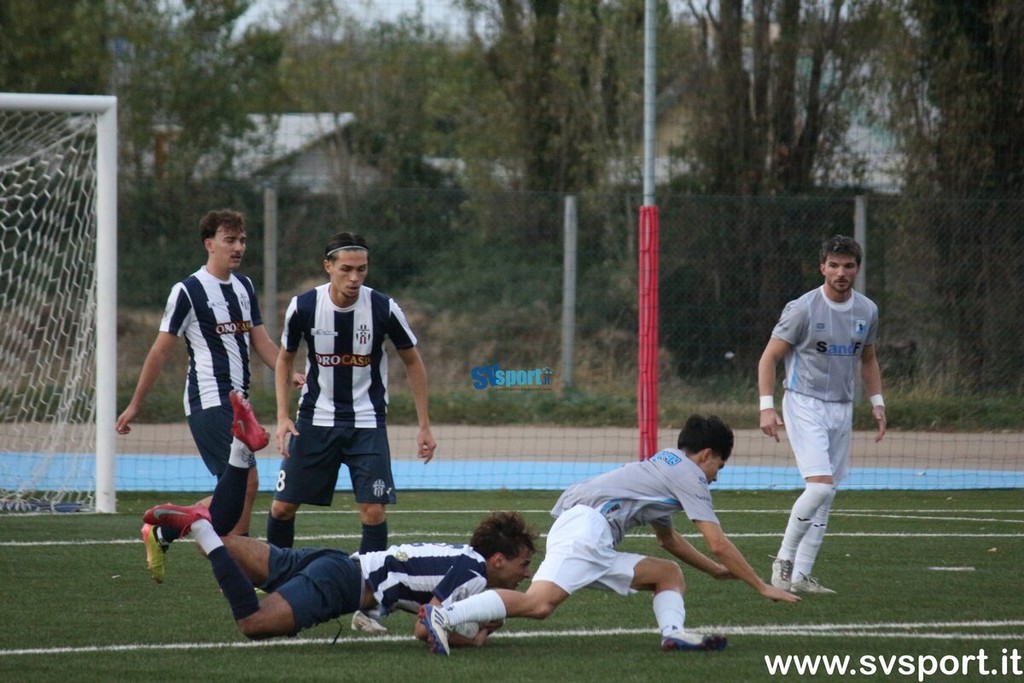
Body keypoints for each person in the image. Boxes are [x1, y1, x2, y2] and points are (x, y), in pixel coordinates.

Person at [144, 392, 536, 645]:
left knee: (223, 545)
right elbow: (426, 625)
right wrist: (477, 635)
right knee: (253, 623)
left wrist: (478, 619)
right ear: (498, 559)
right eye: (523, 564)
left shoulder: (464, 558)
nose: (526, 574)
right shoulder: (474, 572)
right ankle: (199, 524)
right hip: (343, 583)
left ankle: (238, 450)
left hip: (337, 564)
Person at [420, 415, 801, 657]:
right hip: (587, 529)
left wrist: (715, 572)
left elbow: (668, 541)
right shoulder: (691, 476)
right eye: (720, 464)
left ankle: (674, 634)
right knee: (538, 604)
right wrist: (760, 586)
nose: (716, 475)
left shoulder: (665, 466)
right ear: (705, 454)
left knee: (666, 573)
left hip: (590, 532)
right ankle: (445, 615)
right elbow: (717, 542)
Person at [116, 209, 291, 584]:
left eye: (242, 240)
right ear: (209, 244)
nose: (238, 247)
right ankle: (240, 569)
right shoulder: (188, 291)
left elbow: (261, 341)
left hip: (239, 405)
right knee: (245, 484)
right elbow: (160, 351)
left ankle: (166, 529)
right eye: (230, 240)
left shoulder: (244, 286)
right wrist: (135, 404)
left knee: (238, 489)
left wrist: (288, 371)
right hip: (209, 401)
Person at [268, 231, 436, 559]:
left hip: (367, 422)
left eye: (362, 269)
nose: (355, 278)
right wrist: (282, 416)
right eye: (346, 269)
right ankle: (276, 573)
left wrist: (424, 426)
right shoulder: (303, 306)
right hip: (315, 419)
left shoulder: (384, 307)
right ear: (328, 267)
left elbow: (413, 362)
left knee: (373, 511)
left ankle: (368, 582)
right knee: (282, 508)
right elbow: (284, 359)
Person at [758, 234, 887, 595]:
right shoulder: (802, 308)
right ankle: (784, 559)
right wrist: (766, 407)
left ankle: (802, 574)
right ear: (822, 268)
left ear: (857, 269)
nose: (841, 272)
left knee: (827, 494)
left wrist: (877, 402)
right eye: (834, 265)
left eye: (848, 266)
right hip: (804, 402)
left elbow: (868, 358)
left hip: (841, 408)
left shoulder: (867, 311)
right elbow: (769, 357)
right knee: (820, 487)